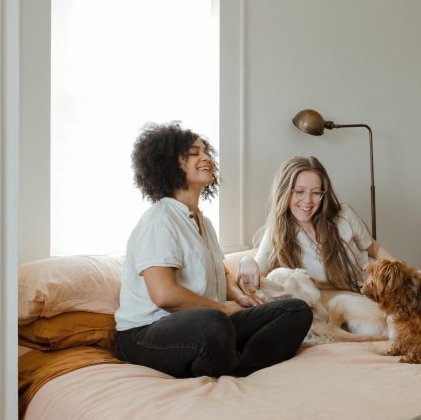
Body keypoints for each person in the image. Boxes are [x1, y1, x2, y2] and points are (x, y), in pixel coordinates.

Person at [114, 122, 312, 379]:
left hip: (208, 323)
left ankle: (237, 367)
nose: (206, 157)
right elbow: (164, 295)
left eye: (206, 151)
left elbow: (222, 272)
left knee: (296, 310)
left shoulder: (203, 222)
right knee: (213, 323)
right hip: (146, 334)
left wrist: (241, 299)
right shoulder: (160, 219)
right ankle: (226, 358)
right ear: (169, 164)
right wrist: (221, 309)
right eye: (195, 153)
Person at [239, 156, 395, 296]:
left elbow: (374, 249)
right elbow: (255, 274)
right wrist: (246, 260)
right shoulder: (277, 233)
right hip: (337, 303)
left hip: (372, 290)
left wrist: (403, 271)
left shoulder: (344, 215)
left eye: (315, 192)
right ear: (284, 192)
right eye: (299, 191)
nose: (308, 201)